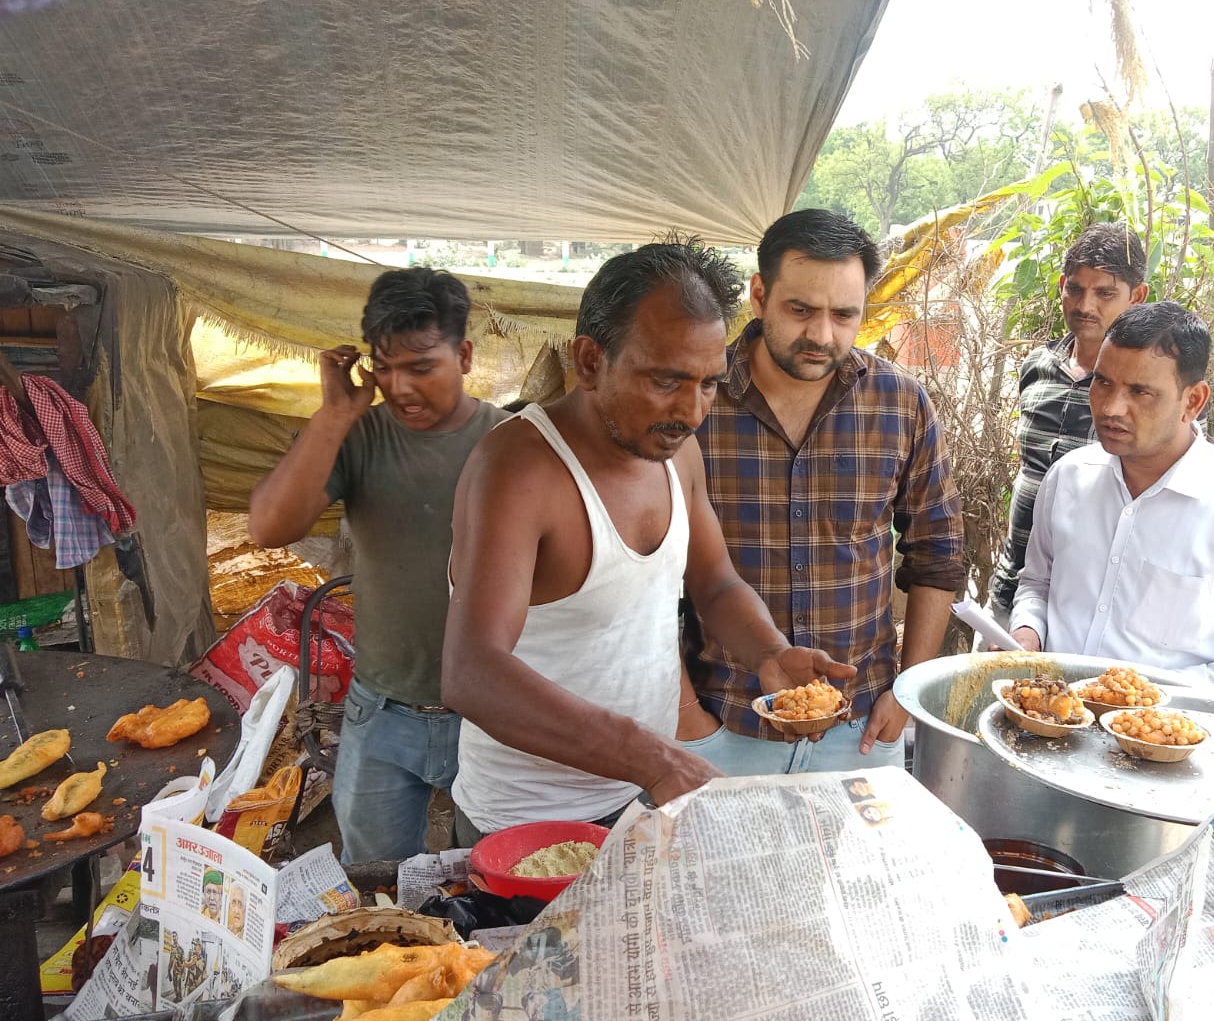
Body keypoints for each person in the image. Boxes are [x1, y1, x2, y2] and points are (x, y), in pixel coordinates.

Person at [442, 240, 854, 838]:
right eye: (666, 381)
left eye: (710, 384)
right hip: (529, 821)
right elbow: (472, 671)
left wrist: (768, 652)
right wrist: (653, 757)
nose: (691, 411)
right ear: (589, 361)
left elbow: (713, 582)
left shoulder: (675, 451)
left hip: (643, 795)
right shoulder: (517, 470)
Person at [679, 208, 965, 775]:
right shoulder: (695, 403)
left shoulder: (900, 404)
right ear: (759, 296)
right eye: (801, 310)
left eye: (843, 315)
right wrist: (688, 717)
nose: (822, 335)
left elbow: (938, 555)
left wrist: (904, 694)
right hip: (724, 724)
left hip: (860, 728)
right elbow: (650, 574)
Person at [249, 267, 504, 863]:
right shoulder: (359, 437)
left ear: (463, 355)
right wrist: (335, 415)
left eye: (420, 367)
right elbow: (269, 527)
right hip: (383, 707)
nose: (401, 387)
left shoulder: (509, 441)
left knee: (494, 877)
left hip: (493, 713)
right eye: (383, 368)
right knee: (373, 877)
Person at [1009, 302, 1214, 700]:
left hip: (1160, 745)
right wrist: (1027, 631)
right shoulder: (1069, 477)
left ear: (1193, 401)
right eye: (1103, 383)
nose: (1111, 408)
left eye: (1140, 392)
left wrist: (1146, 696)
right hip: (1050, 723)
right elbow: (1037, 582)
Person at [988, 223, 1149, 618]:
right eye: (1075, 289)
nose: (1085, 306)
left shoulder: (1153, 393)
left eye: (1105, 293)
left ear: (1137, 296)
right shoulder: (1037, 366)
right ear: (1061, 285)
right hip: (1011, 591)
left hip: (1086, 611)